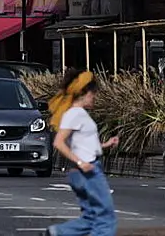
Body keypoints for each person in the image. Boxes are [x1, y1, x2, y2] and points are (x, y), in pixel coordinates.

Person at [45, 70, 119, 236]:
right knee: (106, 218)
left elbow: (81, 144)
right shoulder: (75, 114)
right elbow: (58, 142)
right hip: (87, 170)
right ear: (84, 93)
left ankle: (57, 232)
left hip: (82, 170)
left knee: (91, 217)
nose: (95, 98)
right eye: (93, 94)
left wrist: (105, 144)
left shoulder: (77, 114)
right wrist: (80, 163)